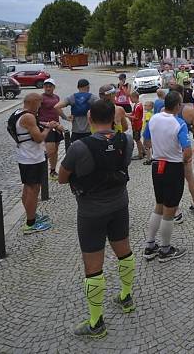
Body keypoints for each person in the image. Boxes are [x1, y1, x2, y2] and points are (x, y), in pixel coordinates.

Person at [58, 98, 136, 338]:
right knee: (124, 251)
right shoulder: (128, 140)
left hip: (91, 212)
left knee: (93, 267)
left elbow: (61, 178)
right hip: (120, 204)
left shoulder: (79, 147)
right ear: (114, 117)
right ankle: (125, 296)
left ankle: (96, 322)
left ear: (89, 118)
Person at [142, 90, 190, 263]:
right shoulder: (179, 123)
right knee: (170, 210)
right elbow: (187, 150)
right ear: (177, 106)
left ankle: (150, 245)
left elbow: (146, 140)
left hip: (157, 166)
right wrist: (183, 161)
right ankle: (165, 249)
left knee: (159, 206)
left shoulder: (154, 118)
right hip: (172, 167)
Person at [10, 93, 60, 235]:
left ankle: (31, 216)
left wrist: (44, 124)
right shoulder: (29, 117)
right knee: (33, 189)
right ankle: (30, 223)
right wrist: (48, 128)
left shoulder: (18, 113)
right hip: (32, 158)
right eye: (39, 104)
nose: (40, 107)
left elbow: (30, 129)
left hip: (24, 156)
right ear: (33, 102)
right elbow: (39, 138)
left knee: (27, 188)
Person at [171, 84, 194, 218]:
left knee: (173, 180)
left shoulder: (163, 110)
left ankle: (176, 211)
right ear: (182, 95)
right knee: (190, 177)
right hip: (184, 149)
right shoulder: (189, 110)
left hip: (170, 149)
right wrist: (189, 126)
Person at [38, 79, 64, 181]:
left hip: (56, 126)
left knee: (55, 150)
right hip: (46, 127)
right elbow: (35, 114)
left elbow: (58, 110)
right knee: (50, 150)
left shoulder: (56, 97)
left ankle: (53, 171)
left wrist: (66, 118)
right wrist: (46, 124)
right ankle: (41, 170)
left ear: (54, 87)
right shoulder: (41, 98)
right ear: (44, 87)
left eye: (50, 86)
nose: (48, 88)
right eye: (46, 86)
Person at [129, 91, 145, 160]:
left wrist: (126, 115)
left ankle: (140, 154)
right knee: (137, 139)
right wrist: (126, 113)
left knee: (137, 139)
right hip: (136, 124)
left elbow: (136, 117)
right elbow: (132, 113)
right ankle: (143, 151)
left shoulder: (138, 106)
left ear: (135, 97)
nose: (130, 100)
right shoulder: (137, 105)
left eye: (131, 98)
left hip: (136, 125)